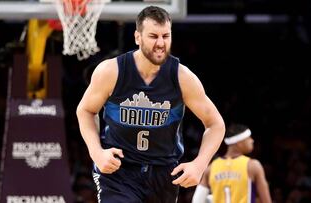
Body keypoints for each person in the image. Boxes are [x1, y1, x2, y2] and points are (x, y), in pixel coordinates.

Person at [76, 5, 225, 203]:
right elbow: (85, 110)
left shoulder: (182, 77)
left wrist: (199, 164)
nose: (161, 43)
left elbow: (215, 124)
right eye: (153, 36)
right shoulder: (111, 71)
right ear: (138, 37)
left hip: (163, 173)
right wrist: (96, 153)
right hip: (120, 171)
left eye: (166, 36)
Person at [192, 123, 272, 203]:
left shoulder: (211, 168)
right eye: (249, 138)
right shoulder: (252, 166)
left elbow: (197, 200)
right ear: (239, 142)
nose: (252, 140)